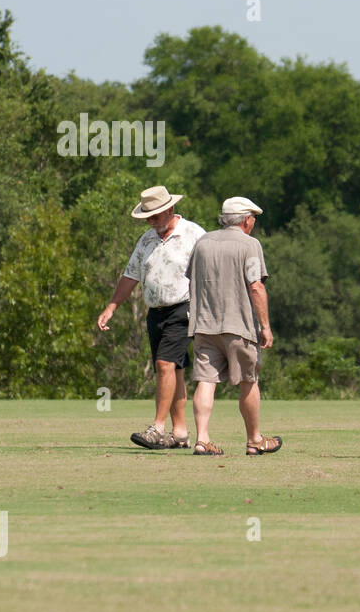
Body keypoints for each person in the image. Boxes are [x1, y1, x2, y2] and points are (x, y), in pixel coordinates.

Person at [96, 185, 206, 450]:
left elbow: (211, 271)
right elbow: (131, 274)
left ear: (169, 210)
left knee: (164, 365)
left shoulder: (194, 234)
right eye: (147, 216)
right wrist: (111, 307)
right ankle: (179, 433)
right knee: (175, 370)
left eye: (154, 216)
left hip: (183, 309)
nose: (150, 221)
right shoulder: (146, 239)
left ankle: (157, 428)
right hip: (155, 313)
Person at [185, 196, 282, 457]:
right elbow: (256, 286)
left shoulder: (203, 242)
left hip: (204, 324)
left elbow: (192, 279)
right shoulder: (250, 244)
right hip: (238, 325)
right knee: (249, 380)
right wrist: (265, 326)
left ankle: (202, 439)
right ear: (246, 220)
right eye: (253, 219)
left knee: (205, 381)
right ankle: (254, 440)